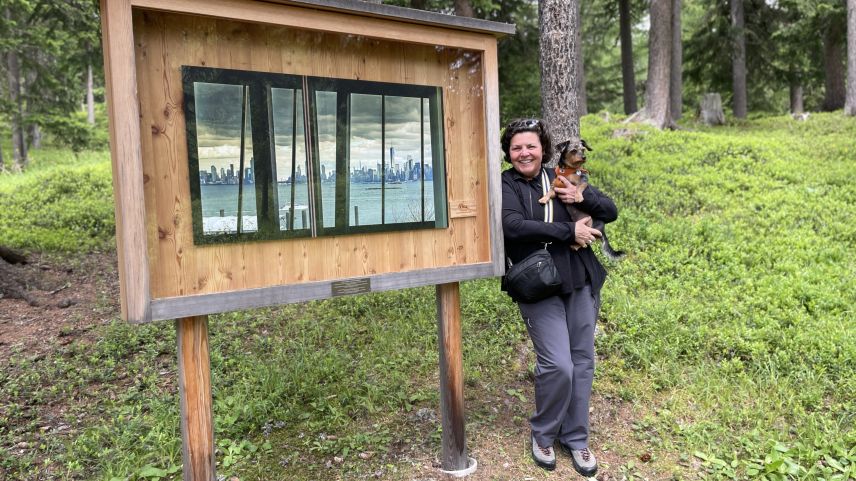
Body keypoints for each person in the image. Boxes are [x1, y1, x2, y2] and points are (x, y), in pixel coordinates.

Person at [500, 118, 618, 476]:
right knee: (558, 364)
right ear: (508, 152)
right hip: (537, 285)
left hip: (579, 278)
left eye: (531, 146)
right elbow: (512, 225)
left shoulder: (561, 176)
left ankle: (577, 438)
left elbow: (609, 211)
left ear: (543, 149)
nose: (524, 153)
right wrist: (568, 230)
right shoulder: (507, 184)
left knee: (582, 361)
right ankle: (544, 433)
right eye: (517, 147)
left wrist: (584, 197)